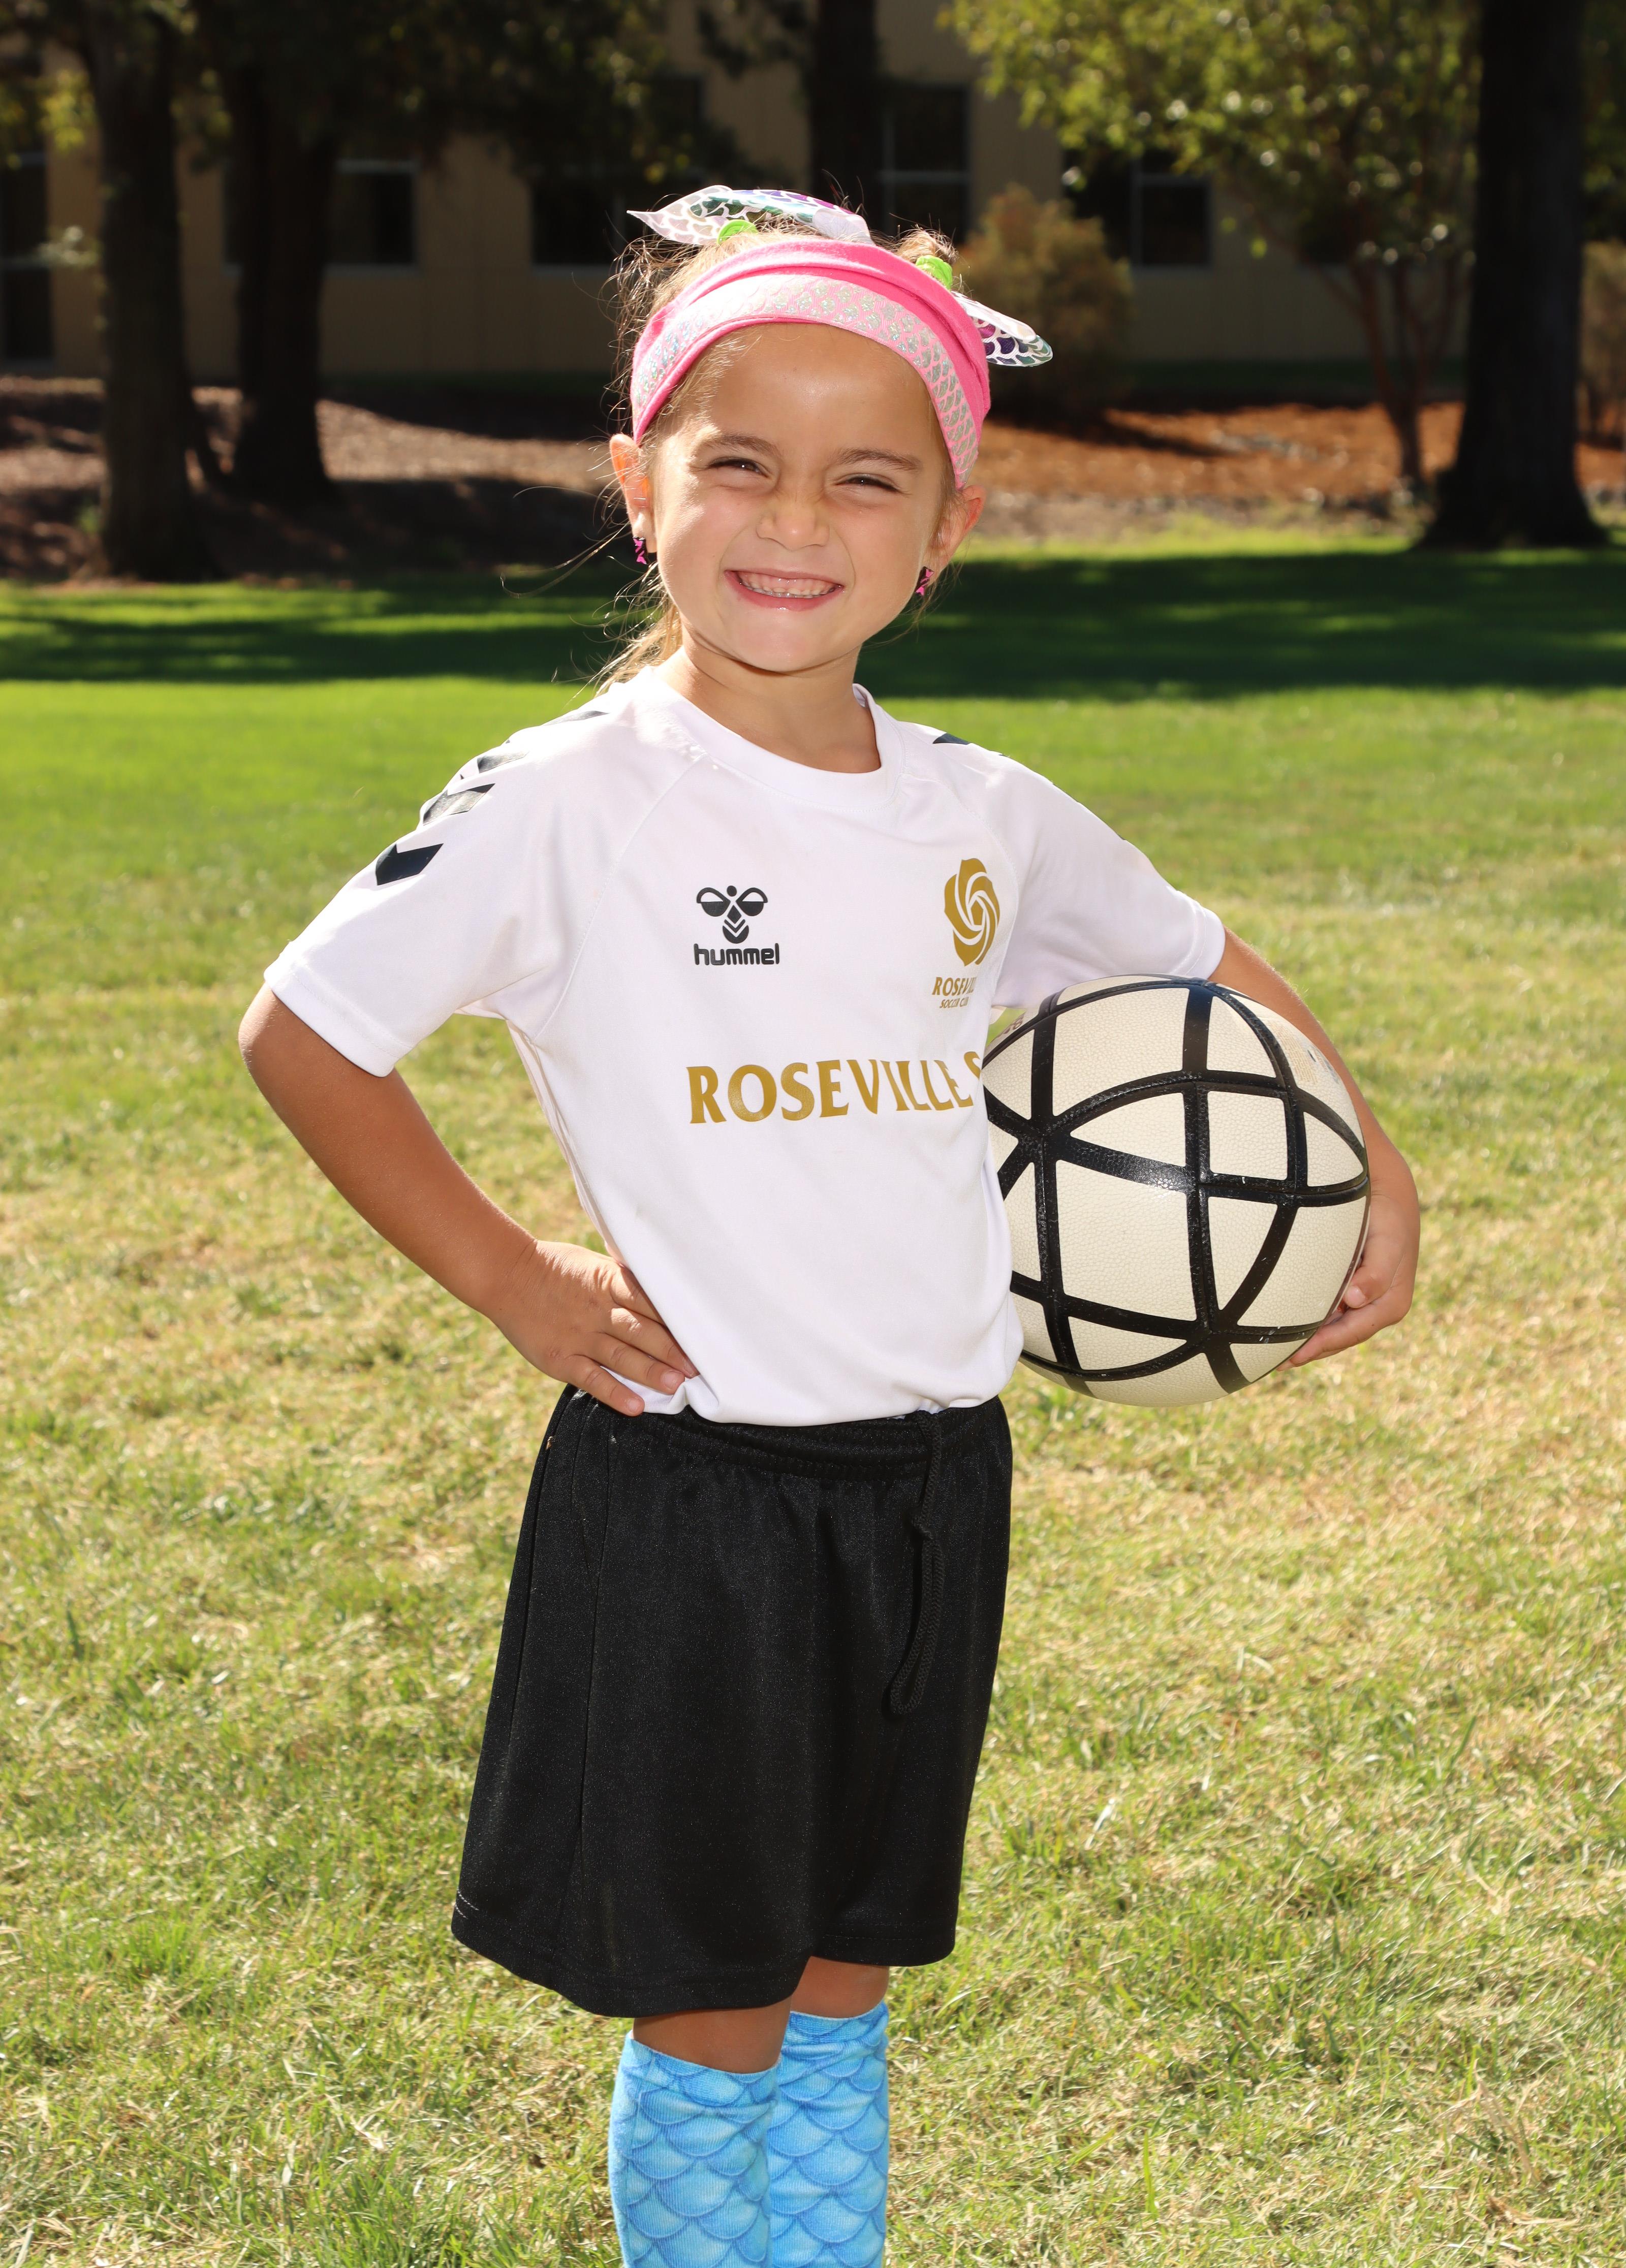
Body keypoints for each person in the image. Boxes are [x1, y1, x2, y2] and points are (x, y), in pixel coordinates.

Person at [238, 184, 1419, 2268]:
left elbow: (1194, 959)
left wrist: (1366, 1161)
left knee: (846, 1975)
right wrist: (515, 1281)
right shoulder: (564, 800)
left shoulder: (979, 811)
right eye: (739, 463)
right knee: (712, 2003)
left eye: (867, 478)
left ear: (944, 527)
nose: (798, 519)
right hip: (695, 1494)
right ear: (638, 486)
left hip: (932, 1482)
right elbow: (308, 1035)